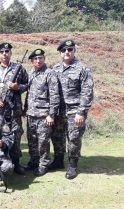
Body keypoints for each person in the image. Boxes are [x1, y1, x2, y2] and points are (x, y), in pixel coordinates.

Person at [51, 40, 94, 179]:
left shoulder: (83, 69)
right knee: (57, 137)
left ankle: (73, 165)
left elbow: (87, 92)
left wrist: (81, 112)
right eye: (64, 50)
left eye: (70, 49)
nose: (67, 52)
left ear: (74, 51)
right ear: (60, 53)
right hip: (58, 111)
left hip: (74, 111)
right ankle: (58, 161)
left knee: (74, 138)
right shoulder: (55, 69)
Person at [0, 43, 28, 175]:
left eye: (7, 51)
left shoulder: (19, 68)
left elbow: (27, 85)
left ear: (11, 53)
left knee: (16, 135)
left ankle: (16, 163)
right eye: (2, 51)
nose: (4, 54)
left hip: (14, 110)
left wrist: (18, 87)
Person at [24, 49, 60, 176]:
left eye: (40, 58)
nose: (38, 61)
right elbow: (29, 94)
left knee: (43, 142)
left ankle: (43, 164)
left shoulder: (50, 74)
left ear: (44, 59)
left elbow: (55, 96)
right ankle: (33, 161)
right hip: (31, 114)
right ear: (32, 61)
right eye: (35, 59)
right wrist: (24, 110)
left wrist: (51, 115)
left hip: (44, 115)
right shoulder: (31, 73)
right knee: (32, 140)